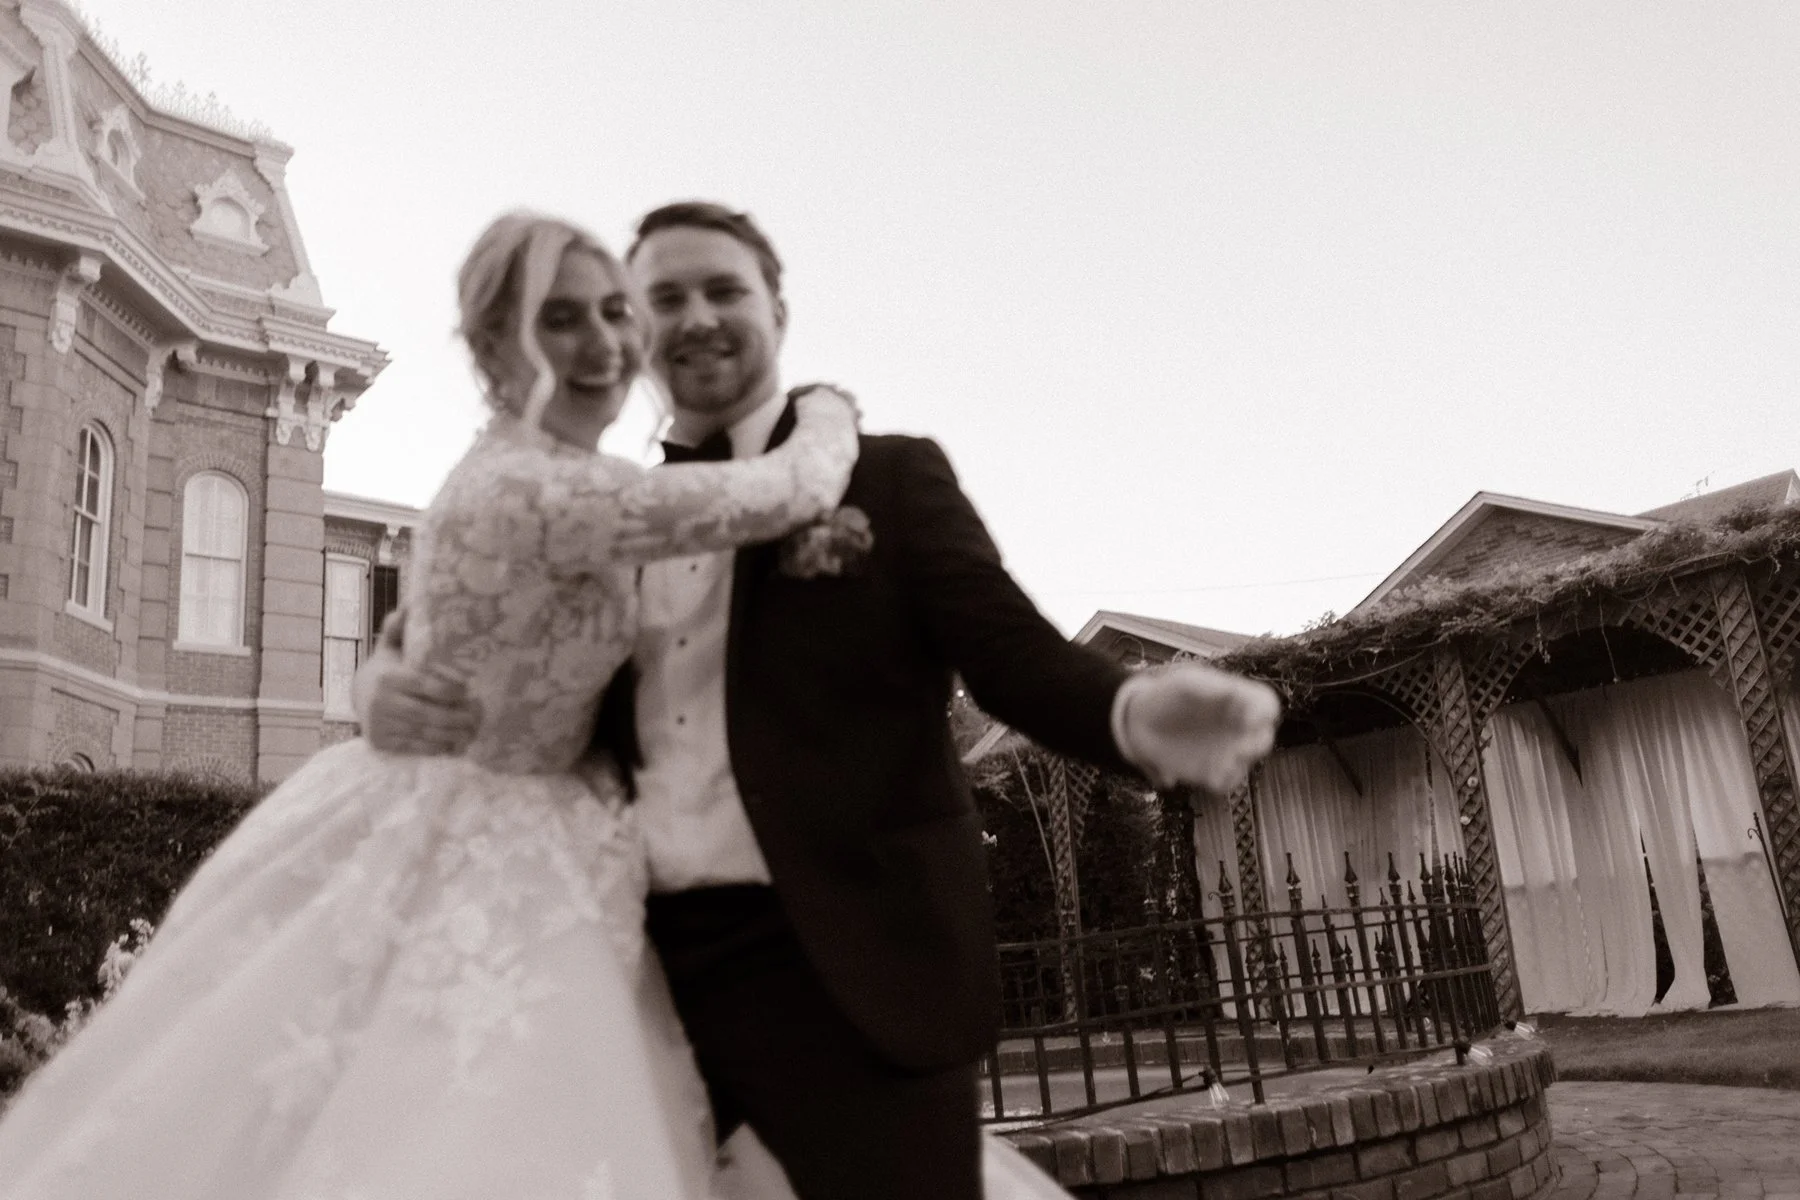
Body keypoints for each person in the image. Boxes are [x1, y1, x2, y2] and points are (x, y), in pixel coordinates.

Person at [360, 201, 1284, 1200]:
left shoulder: (890, 478)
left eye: (725, 289)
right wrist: (377, 685)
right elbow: (456, 629)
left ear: (778, 308)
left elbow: (1011, 653)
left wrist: (1129, 713)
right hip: (634, 972)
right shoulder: (603, 501)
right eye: (662, 298)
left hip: (853, 972)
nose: (696, 316)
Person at [0, 213, 866, 1199]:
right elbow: (788, 486)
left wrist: (374, 683)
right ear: (496, 348)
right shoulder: (530, 492)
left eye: (616, 313)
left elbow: (410, 633)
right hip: (486, 834)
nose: (607, 344)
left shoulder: (552, 477)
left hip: (542, 819)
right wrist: (832, 406)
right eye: (563, 320)